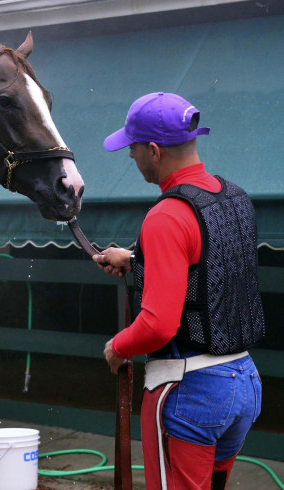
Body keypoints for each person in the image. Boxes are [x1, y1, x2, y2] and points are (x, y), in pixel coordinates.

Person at [94, 93, 265, 489]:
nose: (130, 156)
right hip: (243, 384)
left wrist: (117, 347)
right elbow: (207, 268)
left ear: (153, 151)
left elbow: (157, 326)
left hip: (191, 392)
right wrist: (137, 260)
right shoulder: (236, 197)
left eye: (133, 148)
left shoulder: (166, 216)